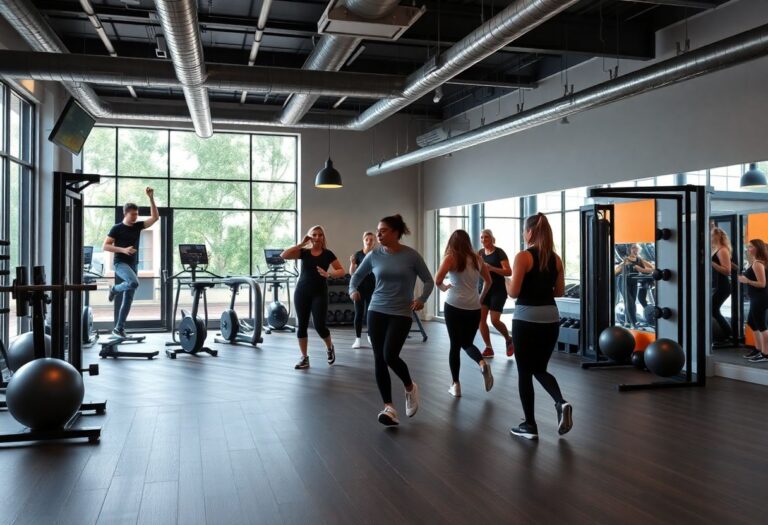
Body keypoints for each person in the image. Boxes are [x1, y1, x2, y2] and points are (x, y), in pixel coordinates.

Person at [349, 214, 434, 426]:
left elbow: (429, 281)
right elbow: (357, 276)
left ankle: (409, 386)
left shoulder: (411, 256)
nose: (378, 234)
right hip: (376, 310)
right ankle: (389, 407)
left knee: (390, 355)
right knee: (379, 358)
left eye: (383, 230)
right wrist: (352, 289)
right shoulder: (374, 255)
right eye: (377, 230)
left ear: (396, 233)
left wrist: (422, 299)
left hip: (401, 312)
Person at [506, 213, 572, 440]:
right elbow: (560, 292)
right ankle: (561, 402)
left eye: (525, 231)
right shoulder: (556, 259)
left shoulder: (523, 256)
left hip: (526, 319)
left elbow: (513, 292)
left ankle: (530, 425)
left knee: (525, 372)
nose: (524, 235)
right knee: (539, 368)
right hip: (551, 318)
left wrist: (506, 281)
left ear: (530, 232)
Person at [435, 229, 493, 397]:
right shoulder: (478, 259)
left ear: (452, 243)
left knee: (455, 345)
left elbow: (437, 280)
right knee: (467, 343)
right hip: (474, 307)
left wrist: (445, 288)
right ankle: (482, 363)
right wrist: (480, 299)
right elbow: (488, 282)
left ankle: (456, 385)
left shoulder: (451, 258)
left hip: (454, 306)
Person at [281, 225, 345, 369]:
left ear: (323, 237)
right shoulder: (304, 252)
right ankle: (304, 358)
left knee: (320, 326)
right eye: (314, 235)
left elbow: (341, 270)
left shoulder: (328, 254)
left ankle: (329, 348)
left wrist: (329, 274)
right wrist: (301, 244)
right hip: (301, 292)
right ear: (310, 237)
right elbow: (283, 255)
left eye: (320, 235)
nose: (317, 237)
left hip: (319, 293)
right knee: (301, 326)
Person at [103, 187, 159, 338]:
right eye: (133, 214)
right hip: (120, 264)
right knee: (134, 283)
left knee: (128, 299)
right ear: (125, 214)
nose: (135, 217)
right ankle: (114, 289)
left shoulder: (138, 226)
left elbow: (155, 218)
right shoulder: (117, 228)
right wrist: (123, 250)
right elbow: (105, 246)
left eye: (137, 214)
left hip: (134, 264)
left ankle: (118, 328)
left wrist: (151, 198)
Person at [477, 229, 515, 358]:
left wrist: (492, 268)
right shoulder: (480, 253)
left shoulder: (499, 252)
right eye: (482, 238)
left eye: (486, 237)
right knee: (481, 319)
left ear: (492, 239)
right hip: (484, 290)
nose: (483, 240)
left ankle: (508, 339)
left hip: (498, 291)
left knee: (494, 320)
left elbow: (508, 272)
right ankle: (488, 347)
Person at [738, 239, 768, 363]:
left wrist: (747, 281)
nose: (748, 249)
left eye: (750, 247)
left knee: (761, 326)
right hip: (757, 298)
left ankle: (765, 354)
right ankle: (758, 349)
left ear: (757, 248)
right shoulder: (758, 262)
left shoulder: (758, 264)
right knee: (752, 322)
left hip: (760, 298)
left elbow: (762, 284)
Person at [614, 243, 654, 327]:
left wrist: (640, 269)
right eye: (633, 248)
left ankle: (629, 321)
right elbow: (615, 272)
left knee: (633, 303)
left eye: (636, 248)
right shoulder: (626, 260)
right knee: (630, 302)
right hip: (623, 282)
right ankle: (634, 322)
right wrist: (622, 267)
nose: (635, 250)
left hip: (633, 282)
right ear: (629, 250)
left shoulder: (639, 260)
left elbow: (652, 268)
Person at [349, 231, 376, 349]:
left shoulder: (376, 254)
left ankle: (370, 336)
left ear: (374, 241)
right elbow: (352, 273)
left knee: (371, 314)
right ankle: (358, 339)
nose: (369, 241)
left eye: (371, 239)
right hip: (359, 289)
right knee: (359, 313)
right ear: (363, 240)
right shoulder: (358, 254)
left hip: (373, 288)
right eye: (367, 239)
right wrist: (352, 263)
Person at [711, 227, 733, 344]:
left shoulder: (722, 250)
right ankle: (728, 335)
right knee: (714, 310)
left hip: (722, 286)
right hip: (717, 285)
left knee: (713, 310)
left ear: (718, 236)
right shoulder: (717, 250)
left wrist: (712, 263)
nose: (710, 237)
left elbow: (727, 271)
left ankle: (728, 335)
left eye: (712, 235)